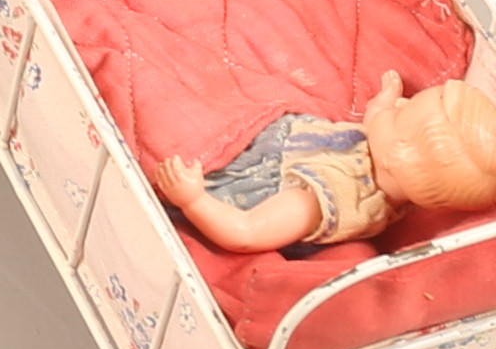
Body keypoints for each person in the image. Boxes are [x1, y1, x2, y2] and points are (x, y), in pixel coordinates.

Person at [155, 72, 496, 254]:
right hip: (263, 135)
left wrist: (193, 199)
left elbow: (247, 232)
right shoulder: (386, 163)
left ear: (398, 156)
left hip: (236, 179)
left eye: (399, 114)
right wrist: (384, 104)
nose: (401, 103)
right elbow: (374, 129)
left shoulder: (325, 196)